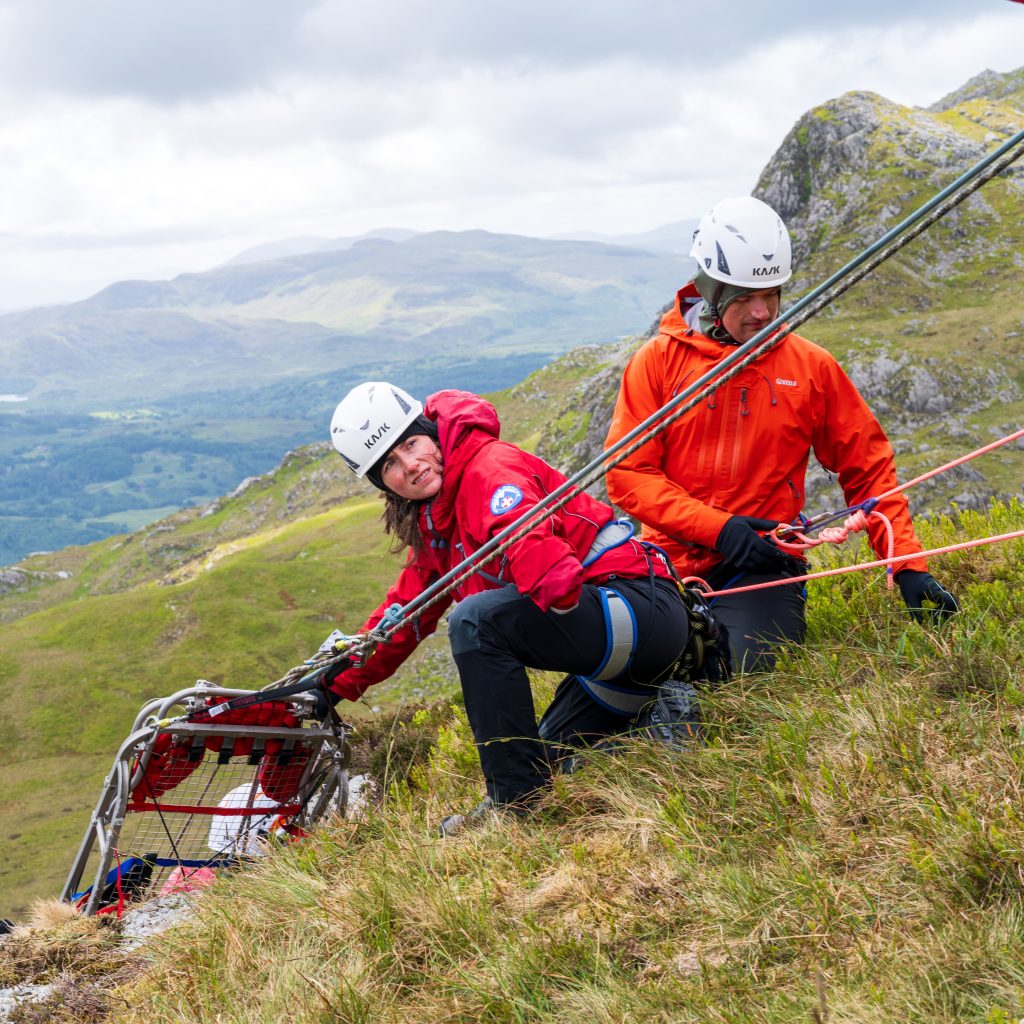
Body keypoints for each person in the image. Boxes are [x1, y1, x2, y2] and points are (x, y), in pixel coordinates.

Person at [604, 195, 958, 672]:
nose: (762, 312)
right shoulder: (658, 363)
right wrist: (720, 530)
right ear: (709, 289)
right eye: (745, 297)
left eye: (771, 295)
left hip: (766, 562)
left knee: (743, 672)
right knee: (626, 667)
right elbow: (628, 475)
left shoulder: (809, 367)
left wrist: (909, 566)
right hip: (667, 564)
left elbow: (866, 465)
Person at [319, 382, 692, 832]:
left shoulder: (487, 467)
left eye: (412, 444)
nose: (411, 466)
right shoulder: (438, 524)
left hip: (638, 612)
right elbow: (404, 614)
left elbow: (527, 534)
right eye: (390, 466)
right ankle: (667, 715)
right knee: (547, 761)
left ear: (432, 432)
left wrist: (547, 575)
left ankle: (515, 810)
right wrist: (329, 685)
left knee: (474, 621)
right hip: (615, 652)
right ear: (383, 484)